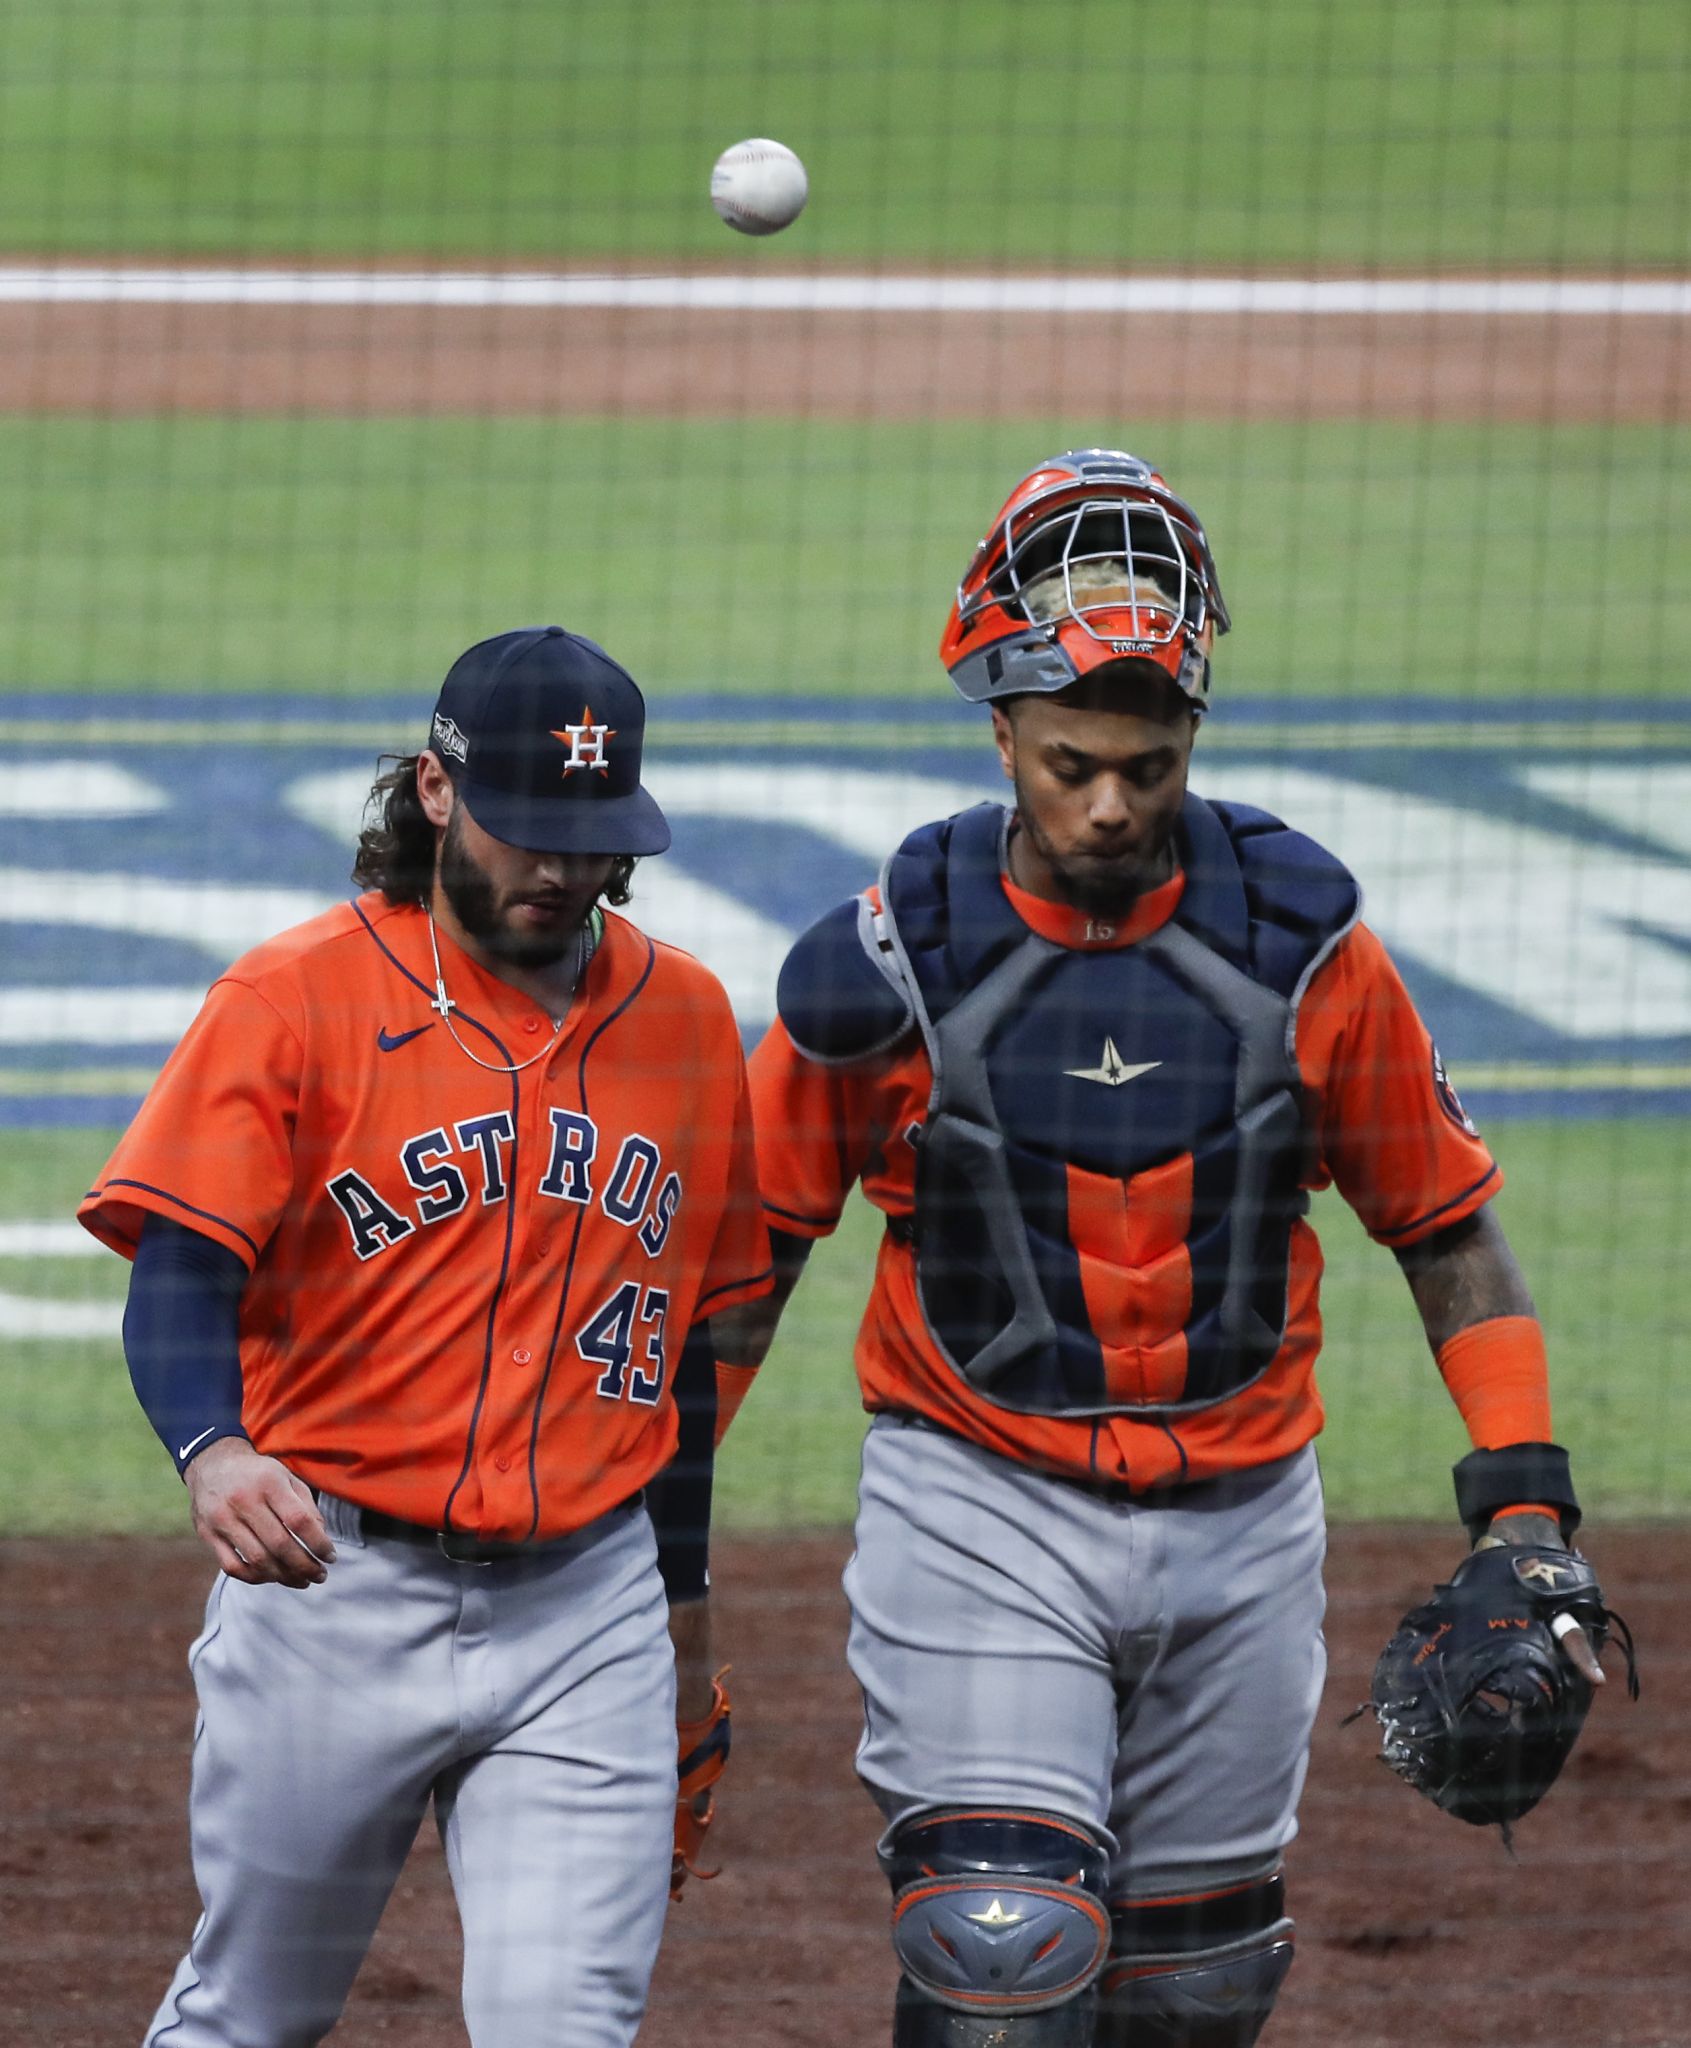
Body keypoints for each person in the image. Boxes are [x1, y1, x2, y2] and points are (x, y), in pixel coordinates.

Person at [714, 451, 1607, 2048]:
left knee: (1197, 1992)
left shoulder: (1306, 945)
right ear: (999, 730)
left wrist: (1526, 1509)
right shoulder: (889, 962)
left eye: (1150, 760)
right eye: (1071, 763)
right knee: (1002, 1959)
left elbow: (1446, 1229)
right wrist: (647, 1552)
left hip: (1247, 1513)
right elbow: (744, 1269)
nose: (1113, 801)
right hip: (980, 1498)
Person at [78, 625, 771, 2048]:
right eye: (532, 834)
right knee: (251, 2015)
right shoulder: (295, 999)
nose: (563, 873)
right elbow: (182, 1269)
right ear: (439, 792)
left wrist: (683, 1602)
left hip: (589, 1608)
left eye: (596, 843)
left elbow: (686, 1346)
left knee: (561, 2028)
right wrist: (212, 1453)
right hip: (334, 1593)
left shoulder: (689, 1017)